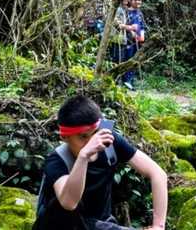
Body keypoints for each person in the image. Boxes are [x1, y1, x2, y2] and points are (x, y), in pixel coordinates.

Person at [33, 95, 167, 230]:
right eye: (83, 136)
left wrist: (158, 226)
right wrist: (83, 156)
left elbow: (157, 174)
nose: (94, 141)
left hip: (101, 224)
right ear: (64, 137)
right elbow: (69, 203)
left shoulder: (110, 141)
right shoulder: (57, 160)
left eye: (95, 133)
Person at [122, 0, 146, 89]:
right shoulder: (127, 12)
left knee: (136, 60)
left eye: (139, 0)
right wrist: (132, 32)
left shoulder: (140, 13)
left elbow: (142, 26)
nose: (138, 2)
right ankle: (126, 81)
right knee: (128, 60)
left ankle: (131, 80)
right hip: (129, 41)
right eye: (136, 0)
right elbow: (124, 25)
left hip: (139, 40)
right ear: (131, 1)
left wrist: (142, 36)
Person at [109, 0, 132, 65]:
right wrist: (128, 27)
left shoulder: (123, 9)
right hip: (117, 39)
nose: (127, 0)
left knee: (120, 59)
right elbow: (115, 22)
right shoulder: (118, 9)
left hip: (121, 39)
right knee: (117, 59)